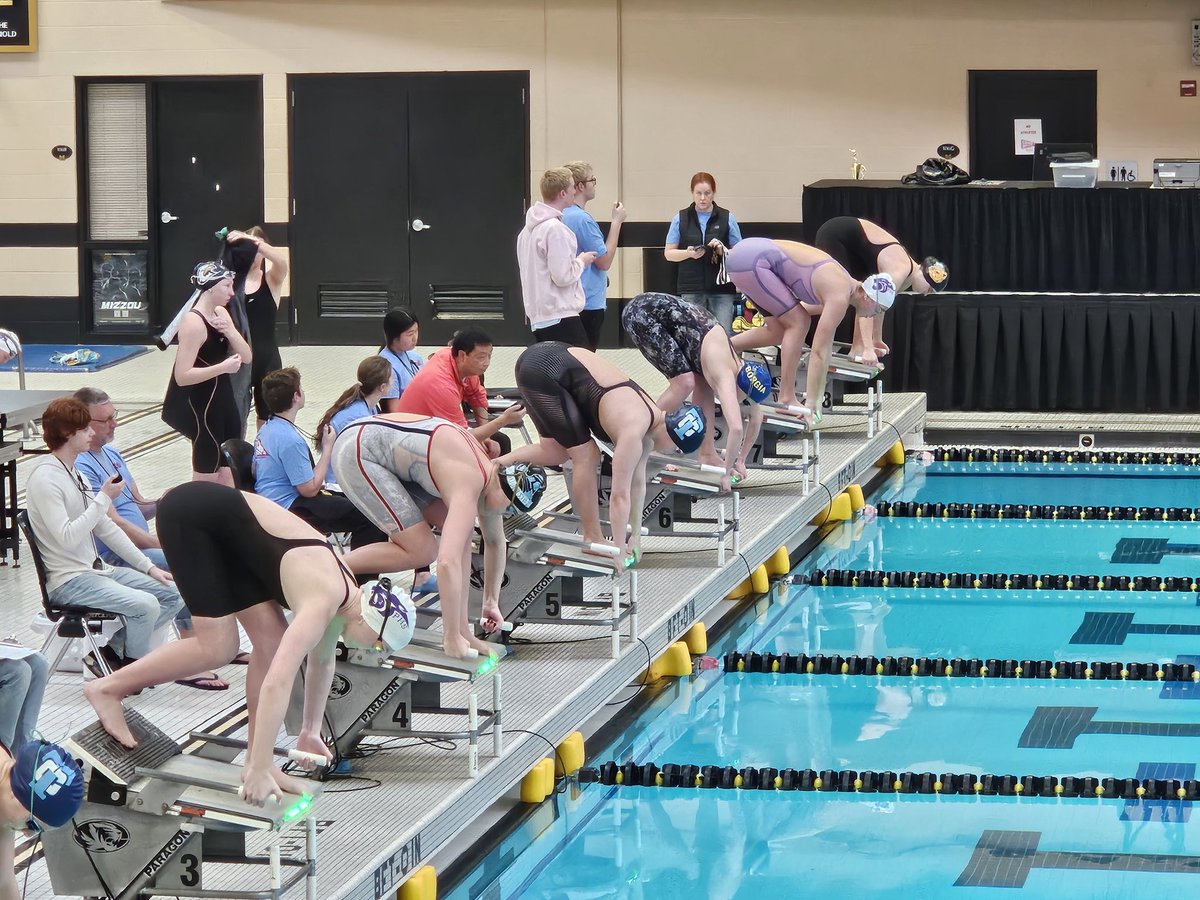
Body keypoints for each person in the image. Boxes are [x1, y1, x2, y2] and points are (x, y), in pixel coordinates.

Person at [82, 481, 417, 806]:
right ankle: (108, 689)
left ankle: (259, 762)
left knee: (270, 644)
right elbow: (277, 683)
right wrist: (259, 765)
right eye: (378, 646)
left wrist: (310, 730)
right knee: (218, 647)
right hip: (193, 516)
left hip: (231, 538)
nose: (372, 653)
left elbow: (322, 661)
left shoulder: (347, 599)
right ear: (368, 623)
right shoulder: (323, 600)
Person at [332, 414, 545, 659]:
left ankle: (463, 630)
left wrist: (490, 602)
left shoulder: (492, 479)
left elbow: (496, 542)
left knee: (461, 534)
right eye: (509, 508)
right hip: (358, 452)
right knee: (423, 550)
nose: (504, 513)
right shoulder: (470, 482)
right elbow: (446, 562)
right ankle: (328, 568)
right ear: (502, 482)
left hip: (384, 452)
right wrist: (450, 636)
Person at [73, 387, 228, 690]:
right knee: (186, 565)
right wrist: (159, 544)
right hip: (115, 555)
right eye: (106, 420)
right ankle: (188, 655)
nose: (115, 423)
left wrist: (168, 500)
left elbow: (139, 505)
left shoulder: (112, 454)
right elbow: (112, 523)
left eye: (114, 415)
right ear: (84, 423)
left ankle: (211, 645)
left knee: (205, 557)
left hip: (139, 546)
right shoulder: (82, 466)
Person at [498, 342, 706, 565]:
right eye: (677, 448)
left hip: (546, 362)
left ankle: (493, 466)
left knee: (554, 451)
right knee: (587, 455)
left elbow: (637, 486)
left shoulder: (650, 425)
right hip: (543, 368)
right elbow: (619, 496)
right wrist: (618, 549)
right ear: (673, 433)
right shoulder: (633, 431)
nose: (674, 452)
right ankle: (592, 537)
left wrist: (635, 536)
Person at [25, 399, 184, 674]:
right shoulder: (45, 479)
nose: (91, 433)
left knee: (173, 593)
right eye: (84, 428)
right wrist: (102, 499)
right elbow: (67, 537)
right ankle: (131, 672)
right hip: (69, 581)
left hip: (96, 571)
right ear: (67, 434)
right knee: (145, 605)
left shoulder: (74, 472)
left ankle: (112, 655)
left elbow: (106, 528)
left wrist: (148, 567)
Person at [726, 238, 894, 418]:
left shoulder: (842, 286)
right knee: (799, 322)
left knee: (780, 330)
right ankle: (786, 398)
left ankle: (725, 347)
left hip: (745, 257)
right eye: (878, 310)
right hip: (752, 261)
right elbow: (820, 351)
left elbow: (800, 312)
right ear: (868, 298)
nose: (874, 315)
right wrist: (813, 403)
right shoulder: (840, 295)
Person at [621, 293, 774, 490]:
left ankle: (707, 453)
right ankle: (643, 439)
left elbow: (756, 416)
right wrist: (726, 474)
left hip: (666, 315)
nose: (741, 404)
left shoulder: (741, 370)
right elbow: (736, 428)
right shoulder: (725, 375)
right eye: (743, 401)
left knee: (702, 385)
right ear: (739, 386)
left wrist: (741, 461)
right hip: (642, 313)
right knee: (684, 382)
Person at [253, 367, 388, 552]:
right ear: (296, 396)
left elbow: (256, 469)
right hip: (290, 507)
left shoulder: (266, 429)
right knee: (371, 515)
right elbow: (309, 490)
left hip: (270, 501)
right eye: (301, 388)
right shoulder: (290, 440)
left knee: (360, 502)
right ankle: (361, 569)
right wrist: (328, 447)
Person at [161, 261, 253, 485]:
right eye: (227, 286)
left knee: (230, 466)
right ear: (211, 288)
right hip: (204, 406)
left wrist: (230, 332)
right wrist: (223, 368)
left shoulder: (221, 313)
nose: (232, 293)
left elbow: (247, 356)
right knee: (207, 470)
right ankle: (201, 506)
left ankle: (228, 505)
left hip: (225, 400)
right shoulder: (194, 323)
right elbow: (182, 376)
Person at [814, 216, 949, 362]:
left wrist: (876, 339)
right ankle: (814, 334)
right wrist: (868, 349)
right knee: (839, 298)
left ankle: (856, 347)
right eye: (930, 289)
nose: (926, 294)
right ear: (924, 274)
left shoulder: (906, 277)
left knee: (854, 296)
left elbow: (879, 307)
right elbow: (867, 304)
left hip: (850, 245)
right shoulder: (900, 270)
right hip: (835, 235)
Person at [395, 328, 526, 459]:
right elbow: (462, 437)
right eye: (481, 357)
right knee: (482, 451)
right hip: (412, 443)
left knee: (500, 441)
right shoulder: (441, 384)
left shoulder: (456, 359)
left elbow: (477, 396)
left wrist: (486, 437)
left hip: (438, 432)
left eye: (489, 355)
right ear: (463, 355)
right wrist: (503, 420)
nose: (486, 363)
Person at [516, 167, 598, 346]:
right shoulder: (556, 230)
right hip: (561, 315)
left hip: (538, 317)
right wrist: (581, 261)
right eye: (572, 187)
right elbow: (562, 276)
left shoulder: (526, 232)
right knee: (579, 362)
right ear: (562, 193)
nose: (575, 191)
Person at [0, 739, 85, 899]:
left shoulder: (6, 781)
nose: (26, 833)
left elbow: (3, 880)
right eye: (32, 825)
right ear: (16, 794)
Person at [225, 227, 289, 428]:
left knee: (268, 417)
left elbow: (281, 261)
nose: (252, 253)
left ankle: (263, 448)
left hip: (267, 358)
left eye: (257, 249)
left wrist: (252, 241)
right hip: (238, 358)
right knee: (235, 415)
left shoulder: (271, 279)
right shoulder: (230, 283)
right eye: (248, 248)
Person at [663, 172, 742, 334]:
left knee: (722, 334)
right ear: (692, 193)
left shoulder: (727, 217)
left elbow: (740, 254)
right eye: (698, 193)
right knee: (694, 335)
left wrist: (723, 251)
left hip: (722, 289)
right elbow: (669, 254)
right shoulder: (680, 218)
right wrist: (688, 253)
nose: (703, 198)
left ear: (714, 192)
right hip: (691, 288)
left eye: (707, 193)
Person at [562, 161, 626, 350]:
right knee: (585, 357)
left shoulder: (561, 214)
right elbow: (604, 261)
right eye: (593, 180)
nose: (595, 184)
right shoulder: (582, 219)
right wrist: (616, 222)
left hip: (569, 300)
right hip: (588, 301)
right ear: (581, 186)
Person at [318, 356, 396, 436]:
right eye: (392, 378)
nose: (393, 381)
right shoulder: (361, 418)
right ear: (382, 387)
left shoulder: (369, 405)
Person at [378, 309, 425, 414]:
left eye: (416, 331)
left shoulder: (415, 356)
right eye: (410, 334)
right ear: (394, 336)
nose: (415, 338)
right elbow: (393, 411)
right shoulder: (386, 366)